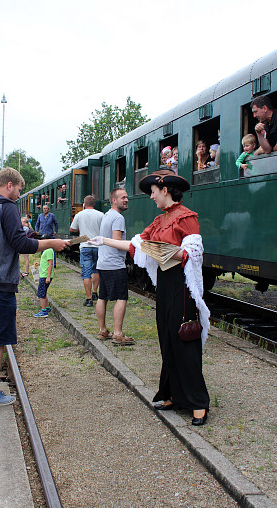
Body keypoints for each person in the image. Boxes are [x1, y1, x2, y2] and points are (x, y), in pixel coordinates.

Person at [89, 170, 210, 425]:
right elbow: (137, 245)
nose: (151, 197)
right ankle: (172, 394)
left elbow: (193, 254)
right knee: (166, 337)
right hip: (166, 285)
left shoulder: (186, 217)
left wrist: (167, 251)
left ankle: (198, 402)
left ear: (165, 189)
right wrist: (106, 241)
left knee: (183, 338)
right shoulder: (159, 220)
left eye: (153, 192)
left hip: (182, 284)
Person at [0, 167, 69, 407]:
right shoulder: (6, 207)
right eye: (19, 189)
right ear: (9, 185)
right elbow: (20, 244)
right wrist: (51, 243)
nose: (19, 195)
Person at [95, 188, 135, 345]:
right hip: (114, 264)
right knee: (121, 297)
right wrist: (133, 245)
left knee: (102, 297)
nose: (126, 200)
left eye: (127, 197)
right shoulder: (118, 218)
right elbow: (117, 241)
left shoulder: (107, 215)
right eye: (123, 197)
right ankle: (118, 333)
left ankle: (102, 330)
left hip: (103, 263)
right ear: (114, 200)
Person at [70, 195, 104, 307]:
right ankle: (95, 293)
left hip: (85, 246)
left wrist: (81, 228)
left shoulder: (79, 214)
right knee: (96, 270)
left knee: (86, 273)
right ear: (94, 204)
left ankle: (89, 299)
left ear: (84, 204)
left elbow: (72, 229)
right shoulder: (101, 215)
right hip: (98, 247)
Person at [33, 235, 55, 318]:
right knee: (44, 291)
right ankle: (47, 307)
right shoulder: (47, 250)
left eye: (44, 240)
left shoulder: (49, 250)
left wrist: (48, 276)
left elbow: (50, 264)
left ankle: (44, 311)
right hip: (44, 274)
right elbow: (46, 262)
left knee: (41, 292)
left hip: (45, 275)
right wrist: (40, 263)